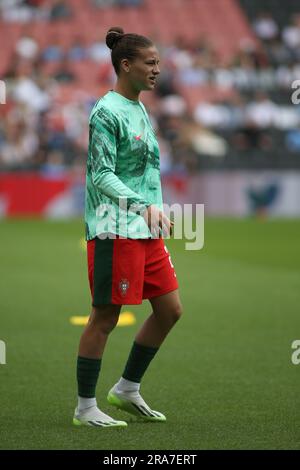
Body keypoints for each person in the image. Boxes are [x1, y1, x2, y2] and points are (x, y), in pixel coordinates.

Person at [73, 27, 183, 428]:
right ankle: (85, 408)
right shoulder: (106, 111)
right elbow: (101, 174)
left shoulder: (139, 107)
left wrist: (154, 210)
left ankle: (126, 389)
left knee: (170, 310)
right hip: (112, 229)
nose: (158, 69)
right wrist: (142, 206)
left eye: (158, 63)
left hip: (145, 229)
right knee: (105, 316)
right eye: (150, 63)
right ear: (126, 65)